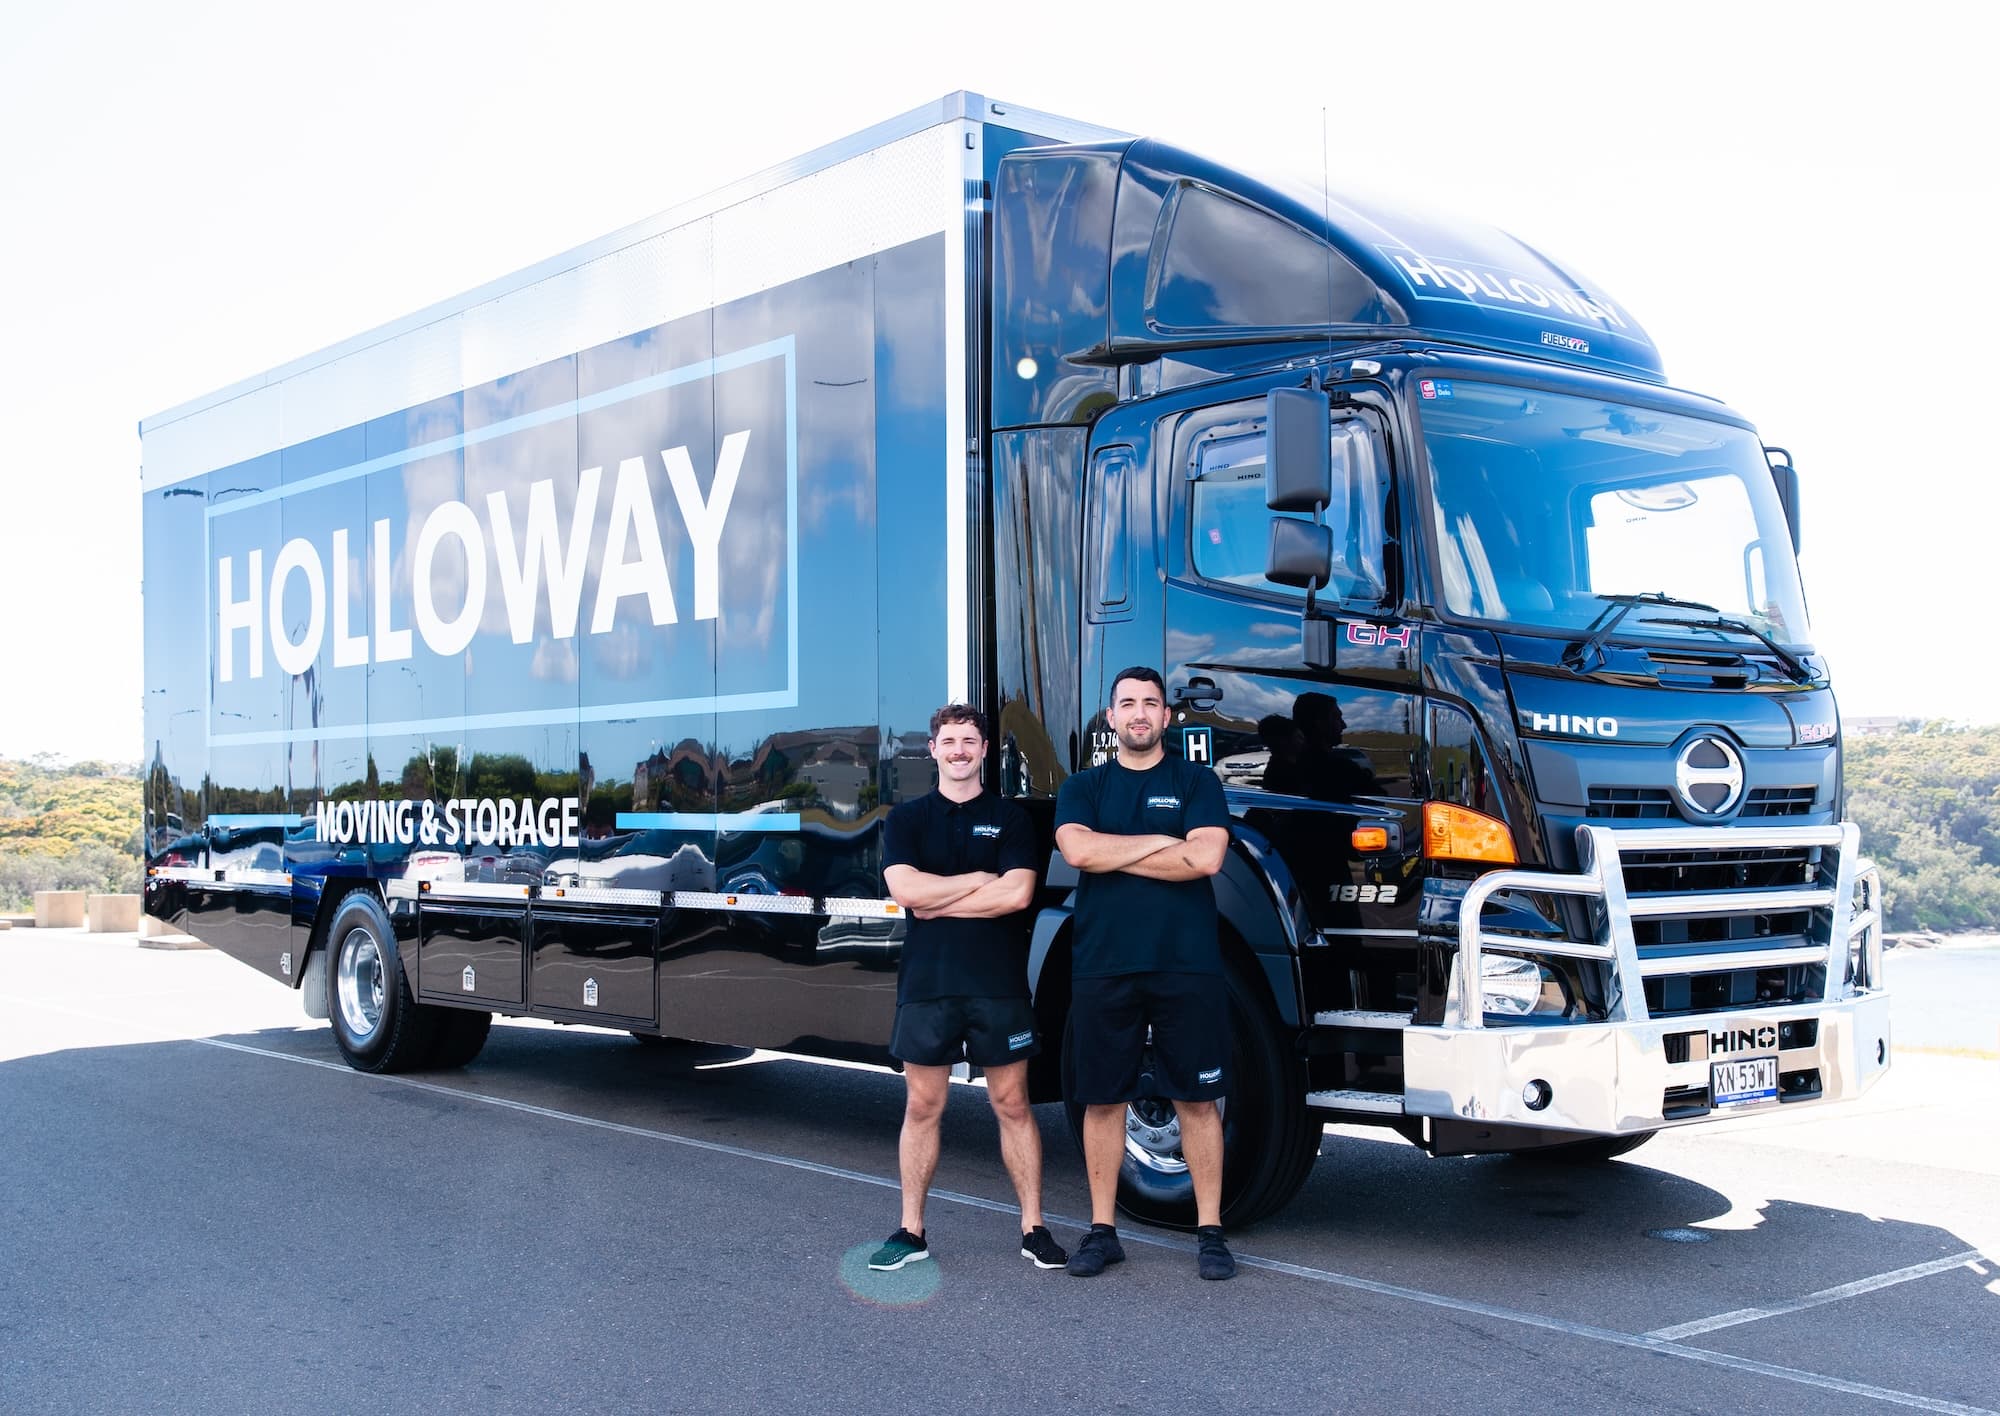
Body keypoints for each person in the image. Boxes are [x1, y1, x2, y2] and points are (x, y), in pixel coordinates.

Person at [867, 703, 1069, 1273]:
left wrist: (943, 898)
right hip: (928, 986)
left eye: (969, 741)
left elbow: (1017, 895)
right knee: (923, 1104)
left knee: (1012, 1104)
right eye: (948, 741)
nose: (959, 750)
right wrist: (979, 881)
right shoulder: (906, 820)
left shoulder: (1010, 819)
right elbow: (905, 889)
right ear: (932, 750)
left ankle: (1034, 1228)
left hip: (997, 986)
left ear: (984, 751)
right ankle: (911, 1231)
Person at [1053, 667, 1236, 1280]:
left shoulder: (1197, 779)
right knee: (1103, 1100)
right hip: (1104, 966)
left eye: (1150, 704)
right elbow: (1078, 852)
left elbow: (1206, 856)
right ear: (1110, 718)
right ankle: (1102, 1232)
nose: (1139, 714)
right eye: (1127, 704)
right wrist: (1163, 843)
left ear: (1166, 717)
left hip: (1186, 966)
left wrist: (1118, 850)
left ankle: (1210, 1232)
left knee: (1198, 1098)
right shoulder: (1083, 786)